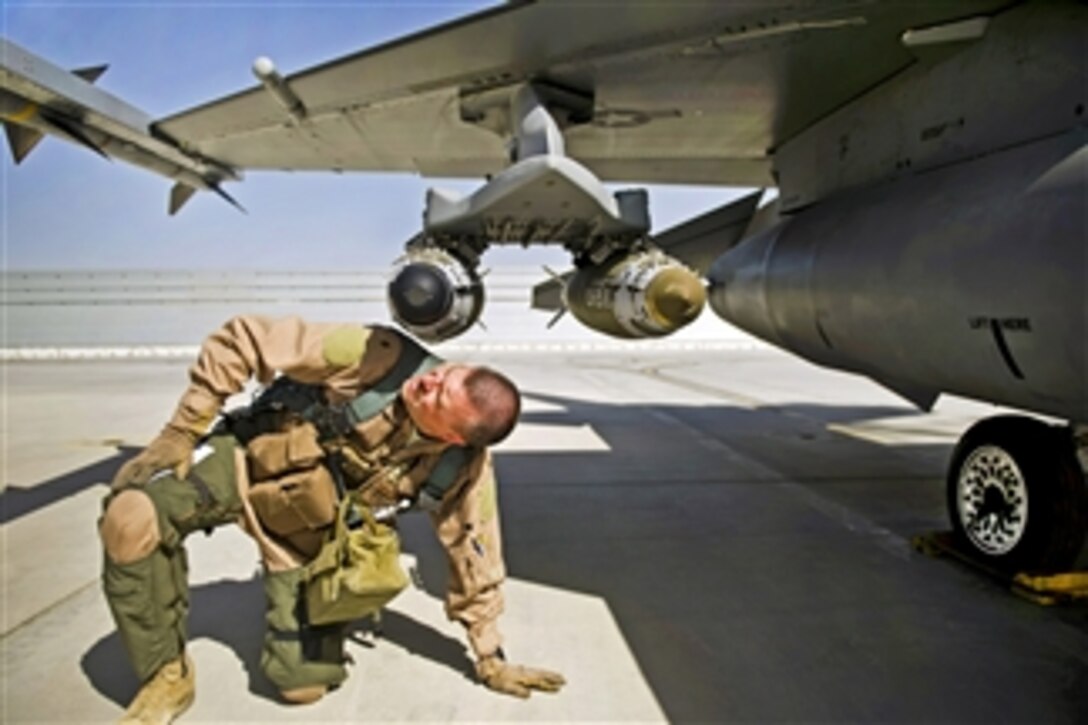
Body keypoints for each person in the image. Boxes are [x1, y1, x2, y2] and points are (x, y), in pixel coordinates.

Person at [99, 315, 565, 724]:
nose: (429, 382)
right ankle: (166, 675)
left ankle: (306, 612)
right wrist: (183, 429)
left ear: (451, 437)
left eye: (438, 399)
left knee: (302, 689)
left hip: (304, 536)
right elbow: (244, 336)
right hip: (246, 462)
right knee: (130, 518)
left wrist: (490, 656)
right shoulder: (375, 354)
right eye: (444, 375)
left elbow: (475, 554)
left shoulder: (463, 468)